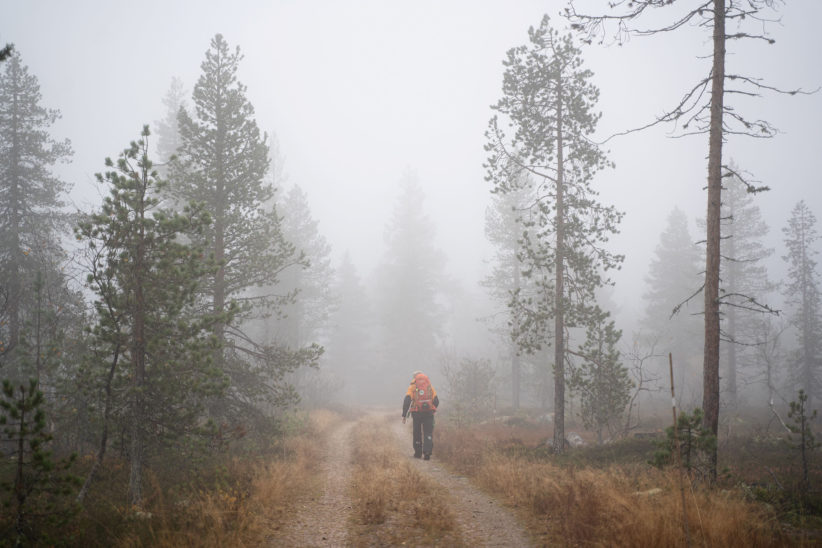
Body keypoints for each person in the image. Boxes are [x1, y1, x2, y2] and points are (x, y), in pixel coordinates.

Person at [401, 370, 440, 460]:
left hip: (417, 413)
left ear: (415, 377)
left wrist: (404, 414)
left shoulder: (413, 386)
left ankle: (418, 453)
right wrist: (432, 410)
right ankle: (427, 453)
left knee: (417, 432)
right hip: (429, 413)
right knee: (428, 433)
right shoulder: (429, 386)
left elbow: (407, 400)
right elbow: (436, 401)